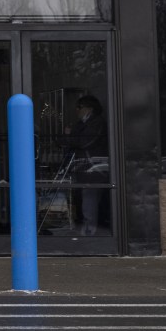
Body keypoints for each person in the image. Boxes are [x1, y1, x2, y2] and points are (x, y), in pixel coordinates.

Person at [64, 94, 109, 236]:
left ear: (89, 108)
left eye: (79, 107)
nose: (77, 110)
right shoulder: (81, 124)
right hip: (83, 167)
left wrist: (70, 136)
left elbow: (84, 142)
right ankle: (88, 226)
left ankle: (90, 229)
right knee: (85, 197)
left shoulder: (97, 123)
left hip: (94, 167)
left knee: (90, 197)